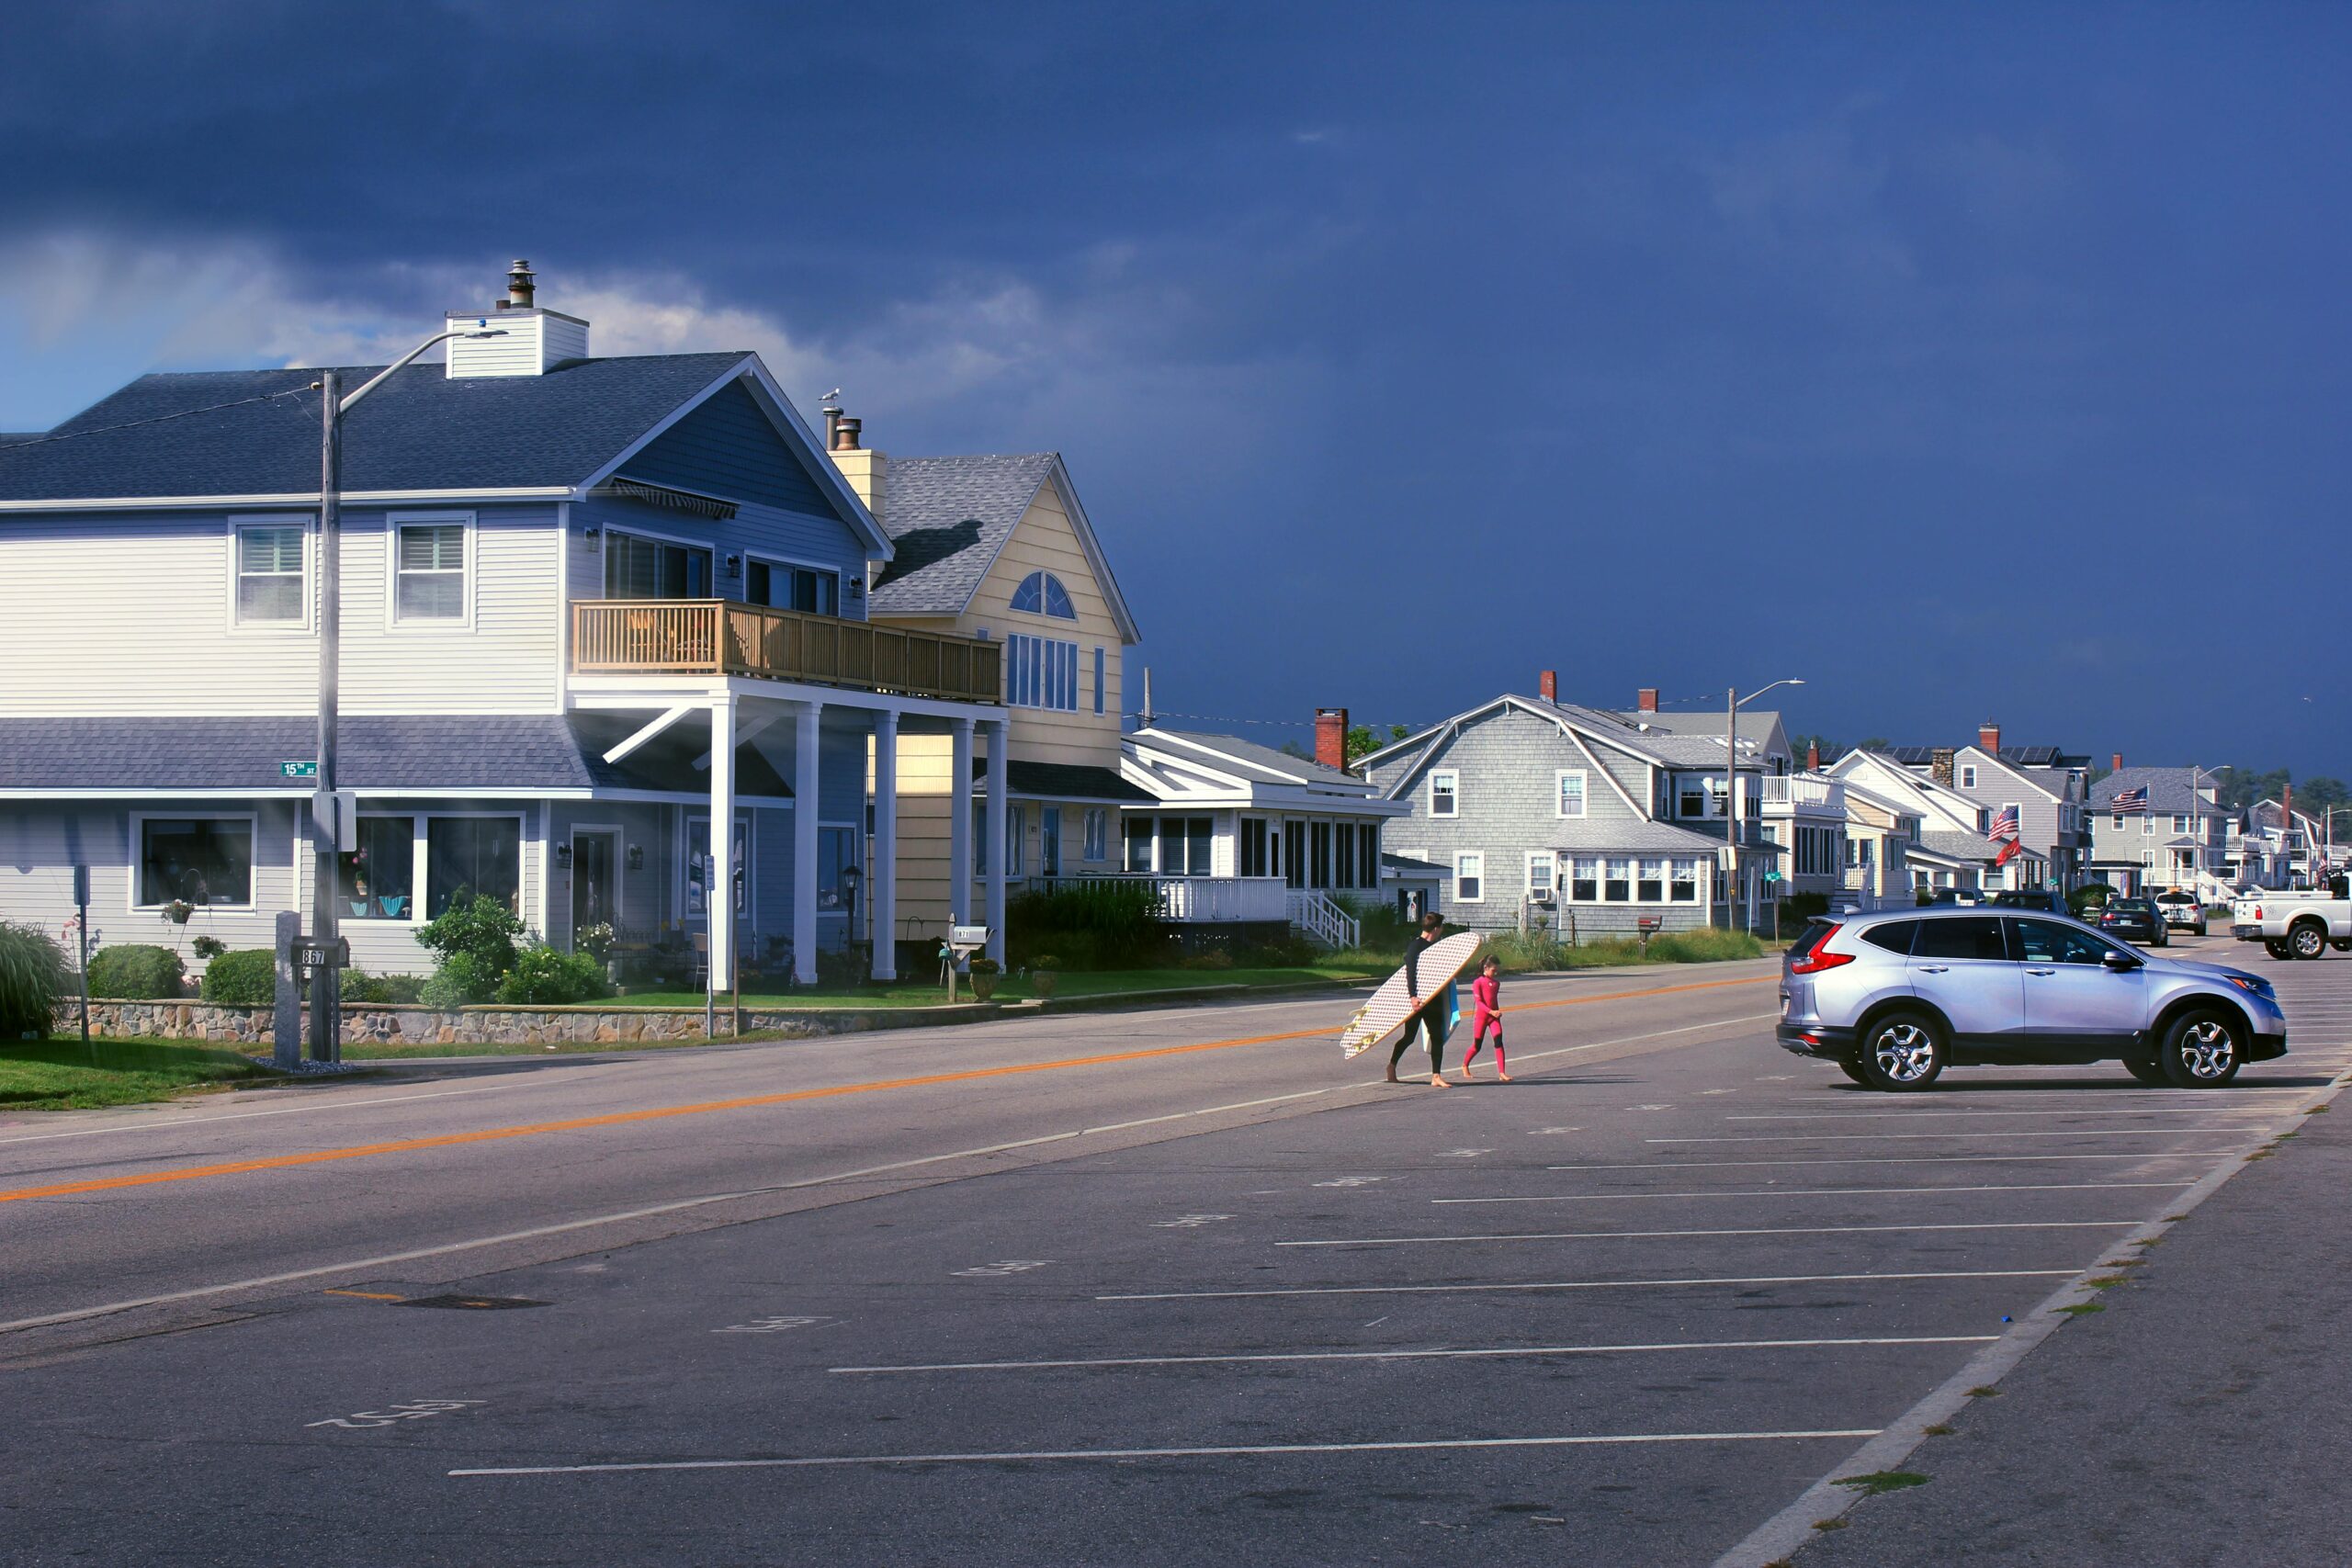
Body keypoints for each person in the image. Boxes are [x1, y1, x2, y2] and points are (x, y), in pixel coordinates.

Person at [1389, 911, 1451, 1088]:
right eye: (1442, 928)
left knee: (1437, 1036)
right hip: (1419, 1000)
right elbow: (1410, 972)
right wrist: (1412, 996)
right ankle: (1391, 1066)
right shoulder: (1416, 946)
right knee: (1409, 1037)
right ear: (1437, 928)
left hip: (1433, 998)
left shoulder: (1436, 946)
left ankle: (1436, 1076)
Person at [1459, 954, 1509, 1081]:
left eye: (1497, 970)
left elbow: (1494, 1001)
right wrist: (1491, 1011)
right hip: (1482, 1017)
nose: (1495, 973)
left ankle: (1502, 1072)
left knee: (1499, 1042)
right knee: (1477, 1045)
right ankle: (1465, 1065)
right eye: (1493, 970)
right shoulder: (1478, 982)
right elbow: (1479, 1002)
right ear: (1485, 968)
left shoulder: (1497, 983)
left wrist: (1496, 1013)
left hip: (1494, 1018)